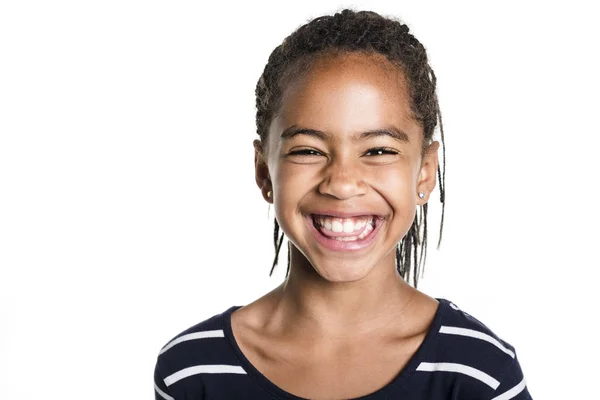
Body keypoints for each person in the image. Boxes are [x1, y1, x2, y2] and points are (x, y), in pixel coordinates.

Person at [153, 8, 532, 400]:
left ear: (424, 173)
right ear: (264, 172)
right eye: (307, 150)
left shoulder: (480, 371)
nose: (342, 183)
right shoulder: (192, 369)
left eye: (379, 150)